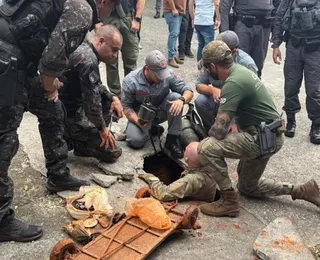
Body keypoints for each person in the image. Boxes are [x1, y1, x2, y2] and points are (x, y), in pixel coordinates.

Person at [0, 0, 109, 243]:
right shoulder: (82, 7)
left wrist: (49, 85)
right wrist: (50, 85)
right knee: (4, 140)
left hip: (21, 60)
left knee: (52, 110)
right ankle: (1, 221)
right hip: (8, 61)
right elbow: (53, 58)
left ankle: (57, 174)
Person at [194, 40, 320, 218]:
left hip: (261, 138)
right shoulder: (240, 71)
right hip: (267, 135)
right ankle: (302, 190)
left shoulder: (233, 82)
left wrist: (197, 147)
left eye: (207, 68)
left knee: (206, 148)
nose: (207, 72)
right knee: (247, 187)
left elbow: (218, 132)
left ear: (213, 66)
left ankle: (229, 202)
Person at [60, 25, 124, 163]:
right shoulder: (88, 60)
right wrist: (102, 129)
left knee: (108, 101)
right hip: (67, 115)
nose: (115, 55)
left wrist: (113, 97)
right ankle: (71, 140)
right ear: (101, 41)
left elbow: (95, 85)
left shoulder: (85, 46)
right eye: (114, 50)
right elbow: (92, 105)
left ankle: (83, 137)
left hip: (73, 106)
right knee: (113, 152)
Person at [121, 50, 194, 158]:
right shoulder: (131, 81)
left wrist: (181, 100)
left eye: (162, 73)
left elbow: (188, 91)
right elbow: (126, 107)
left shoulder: (168, 74)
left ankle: (173, 139)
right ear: (147, 69)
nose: (161, 77)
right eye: (158, 74)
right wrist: (138, 122)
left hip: (160, 111)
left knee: (175, 97)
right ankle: (150, 129)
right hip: (141, 117)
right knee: (135, 141)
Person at [272, 0, 320, 144]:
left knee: (313, 90)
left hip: (316, 49)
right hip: (294, 46)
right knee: (291, 87)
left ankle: (316, 125)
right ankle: (291, 120)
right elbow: (279, 17)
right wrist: (276, 45)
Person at [195, 30, 258, 132]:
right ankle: (211, 130)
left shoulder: (246, 64)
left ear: (232, 51)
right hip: (218, 99)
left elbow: (253, 94)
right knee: (201, 101)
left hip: (237, 104)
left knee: (234, 132)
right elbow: (198, 85)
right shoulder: (212, 58)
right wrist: (213, 90)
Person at [138, 142, 218, 202]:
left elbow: (163, 194)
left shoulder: (192, 179)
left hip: (196, 203)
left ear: (186, 159)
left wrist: (152, 178)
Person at [220, 0, 281, 78]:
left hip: (264, 27)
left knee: (257, 67)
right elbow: (225, 6)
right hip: (243, 26)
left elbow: (278, 8)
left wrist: (276, 39)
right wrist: (225, 34)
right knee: (239, 63)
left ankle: (253, 88)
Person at [103, 0, 145, 97]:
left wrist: (137, 19)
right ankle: (115, 95)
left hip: (127, 16)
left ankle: (129, 93)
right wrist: (96, 21)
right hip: (108, 16)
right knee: (110, 61)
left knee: (130, 59)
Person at [163, 0, 187, 68]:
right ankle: (171, 57)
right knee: (173, 34)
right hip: (172, 11)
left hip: (178, 11)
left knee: (175, 34)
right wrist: (173, 8)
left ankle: (173, 55)